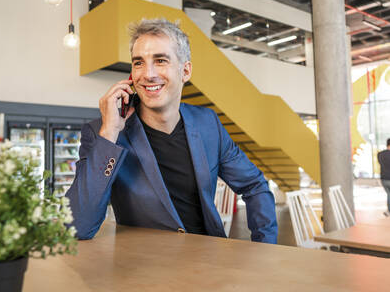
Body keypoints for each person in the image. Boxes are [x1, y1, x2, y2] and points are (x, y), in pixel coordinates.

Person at [66, 19, 277, 243]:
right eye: (138, 63)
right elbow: (78, 225)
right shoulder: (102, 133)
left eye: (160, 60)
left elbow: (254, 185)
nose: (147, 74)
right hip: (143, 270)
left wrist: (264, 247)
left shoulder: (208, 123)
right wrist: (109, 133)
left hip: (210, 264)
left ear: (185, 71)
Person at [378, 138, 390, 217]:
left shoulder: (380, 154)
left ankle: (388, 210)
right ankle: (389, 211)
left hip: (383, 179)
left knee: (389, 194)